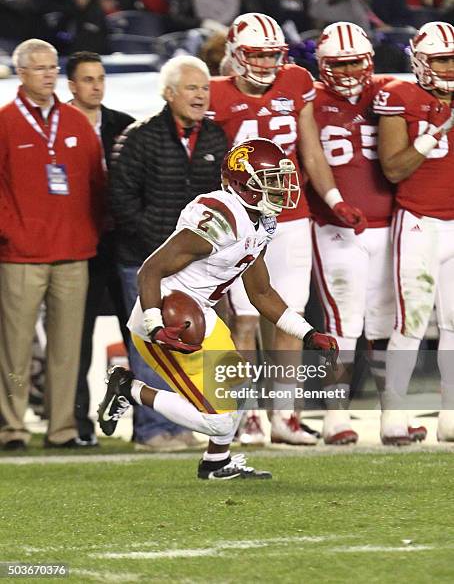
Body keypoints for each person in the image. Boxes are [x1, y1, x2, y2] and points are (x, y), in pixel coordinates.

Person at [98, 138, 339, 479]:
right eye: (270, 179)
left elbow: (261, 292)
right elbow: (150, 269)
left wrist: (309, 333)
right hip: (169, 317)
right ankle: (128, 387)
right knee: (217, 419)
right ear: (244, 184)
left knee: (241, 389)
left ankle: (217, 462)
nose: (280, 187)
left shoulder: (260, 221)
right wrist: (155, 325)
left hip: (200, 314)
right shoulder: (223, 216)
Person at [208, 12, 367, 445]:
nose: (264, 64)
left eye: (272, 55)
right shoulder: (214, 94)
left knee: (290, 318)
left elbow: (311, 150)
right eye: (256, 55)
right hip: (239, 219)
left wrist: (333, 199)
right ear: (237, 55)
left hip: (291, 215)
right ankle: (247, 414)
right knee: (241, 317)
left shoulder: (295, 82)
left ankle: (284, 415)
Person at [109, 55, 228, 451]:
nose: (200, 95)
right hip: (145, 262)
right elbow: (120, 198)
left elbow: (223, 200)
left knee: (186, 346)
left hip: (193, 269)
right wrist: (157, 247)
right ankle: (150, 432)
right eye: (191, 88)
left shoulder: (215, 137)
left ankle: (181, 427)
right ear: (168, 92)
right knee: (150, 343)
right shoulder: (138, 136)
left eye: (205, 88)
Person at [0, 38, 105, 450]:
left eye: (53, 68)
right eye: (40, 68)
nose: (49, 75)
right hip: (20, 254)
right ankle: (12, 428)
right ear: (20, 73)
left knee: (67, 348)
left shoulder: (77, 122)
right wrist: (10, 231)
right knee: (15, 347)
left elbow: (98, 184)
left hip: (73, 252)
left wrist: (91, 231)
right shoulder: (5, 122)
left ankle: (61, 429)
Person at [308, 22, 398, 444]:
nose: (346, 72)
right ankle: (335, 416)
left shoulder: (390, 93)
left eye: (354, 63)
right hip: (333, 227)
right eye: (338, 65)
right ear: (323, 65)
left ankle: (390, 416)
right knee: (342, 324)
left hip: (390, 225)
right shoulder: (308, 97)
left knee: (384, 324)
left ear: (370, 62)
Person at [374, 21, 454, 443]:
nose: (449, 67)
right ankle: (393, 416)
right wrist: (438, 130)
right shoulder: (400, 95)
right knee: (412, 321)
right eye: (442, 58)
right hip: (420, 221)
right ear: (421, 61)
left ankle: (450, 417)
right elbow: (393, 168)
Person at [66, 50, 134, 446]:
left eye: (100, 78)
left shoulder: (124, 126)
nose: (96, 86)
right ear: (72, 85)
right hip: (81, 247)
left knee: (138, 336)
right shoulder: (59, 126)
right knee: (77, 339)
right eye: (88, 79)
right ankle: (78, 424)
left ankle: (152, 424)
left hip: (122, 245)